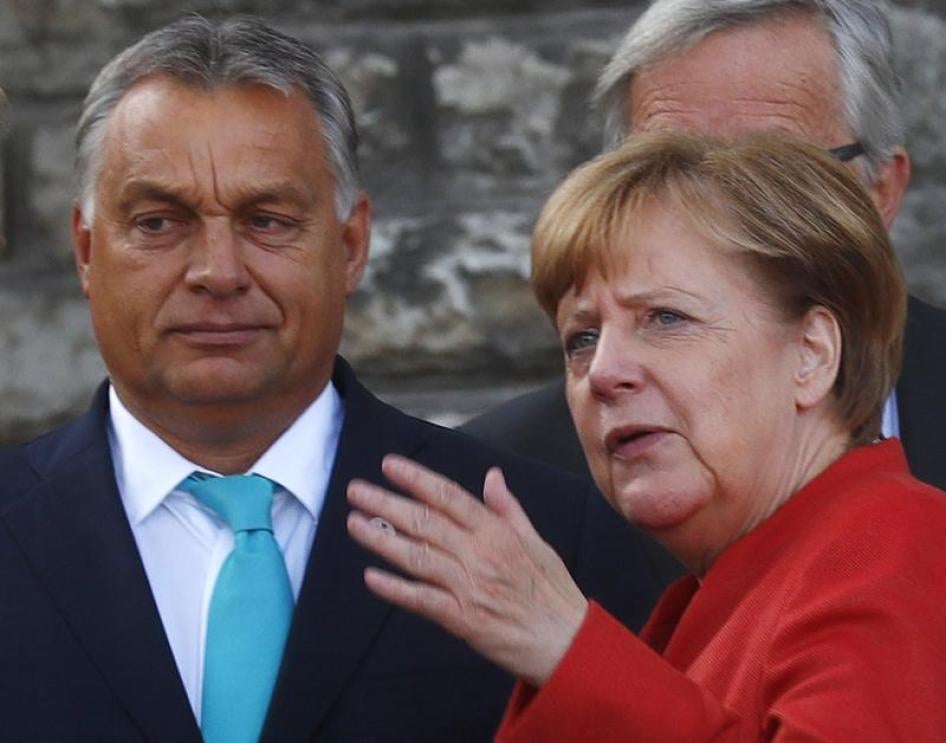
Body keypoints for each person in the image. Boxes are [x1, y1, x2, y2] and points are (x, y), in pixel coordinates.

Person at [0, 16, 677, 742]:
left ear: (351, 245)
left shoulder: (548, 538)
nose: (217, 272)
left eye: (266, 220)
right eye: (160, 222)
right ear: (85, 250)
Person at [348, 131, 946, 740]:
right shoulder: (707, 603)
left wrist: (572, 653)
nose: (602, 373)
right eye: (581, 338)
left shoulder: (899, 544)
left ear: (812, 355)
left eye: (666, 318)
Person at [462, 0, 946, 490]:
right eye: (664, 171)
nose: (711, 214)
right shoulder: (503, 482)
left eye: (771, 172)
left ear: (878, 193)